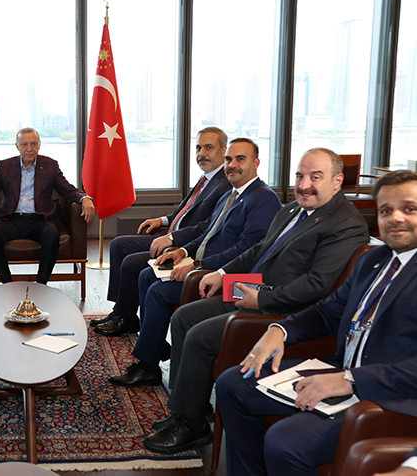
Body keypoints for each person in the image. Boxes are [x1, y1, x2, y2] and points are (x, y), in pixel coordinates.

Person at [140, 148, 370, 456]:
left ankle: (192, 425)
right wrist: (222, 273)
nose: (304, 185)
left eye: (315, 177)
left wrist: (262, 298)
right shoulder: (293, 209)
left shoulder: (345, 224)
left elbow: (317, 285)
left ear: (337, 181)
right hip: (255, 288)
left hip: (286, 309)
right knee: (184, 317)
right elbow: (260, 248)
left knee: (199, 336)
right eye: (300, 176)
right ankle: (189, 408)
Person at [215, 169, 417, 476]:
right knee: (232, 384)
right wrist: (280, 329)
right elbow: (327, 312)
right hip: (342, 371)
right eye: (386, 210)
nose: (395, 218)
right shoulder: (373, 261)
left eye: (409, 209)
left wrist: (351, 380)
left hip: (390, 397)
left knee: (285, 442)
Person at [108, 138, 282, 386]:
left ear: (256, 163)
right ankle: (153, 346)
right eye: (229, 160)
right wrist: (181, 251)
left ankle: (147, 365)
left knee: (158, 292)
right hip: (202, 264)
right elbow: (207, 233)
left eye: (240, 159)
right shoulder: (231, 194)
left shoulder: (263, 198)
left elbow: (247, 250)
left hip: (227, 278)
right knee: (147, 274)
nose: (232, 165)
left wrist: (198, 266)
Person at [92, 126, 231, 336]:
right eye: (198, 148)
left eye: (208, 148)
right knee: (119, 244)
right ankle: (121, 311)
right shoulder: (207, 178)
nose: (201, 153)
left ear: (223, 150)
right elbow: (185, 212)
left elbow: (208, 226)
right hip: (171, 235)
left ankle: (125, 317)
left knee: (130, 263)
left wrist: (172, 238)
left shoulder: (226, 183)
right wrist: (162, 220)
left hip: (184, 245)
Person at [0, 127, 96, 284]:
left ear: (39, 145)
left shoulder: (50, 165)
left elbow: (67, 189)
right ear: (17, 146)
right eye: (24, 144)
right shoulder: (5, 166)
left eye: (33, 144)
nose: (29, 149)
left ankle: (41, 284)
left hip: (40, 219)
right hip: (11, 219)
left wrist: (84, 198)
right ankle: (7, 283)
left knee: (52, 234)